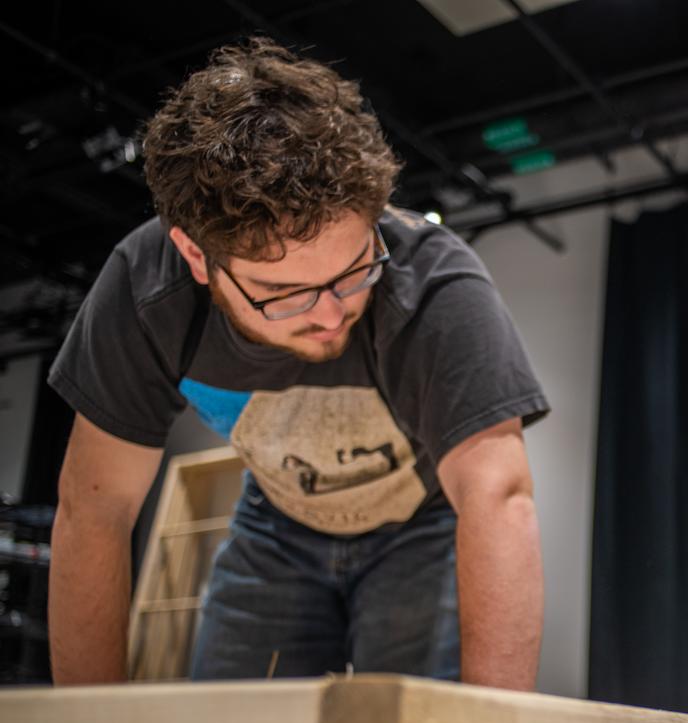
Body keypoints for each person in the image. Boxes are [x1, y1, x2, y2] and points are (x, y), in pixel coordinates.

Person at [48, 40, 549, 689]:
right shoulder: (147, 296)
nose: (330, 313)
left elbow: (498, 496)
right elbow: (95, 511)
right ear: (198, 260)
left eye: (351, 273)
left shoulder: (433, 283)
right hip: (275, 524)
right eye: (284, 294)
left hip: (424, 525)